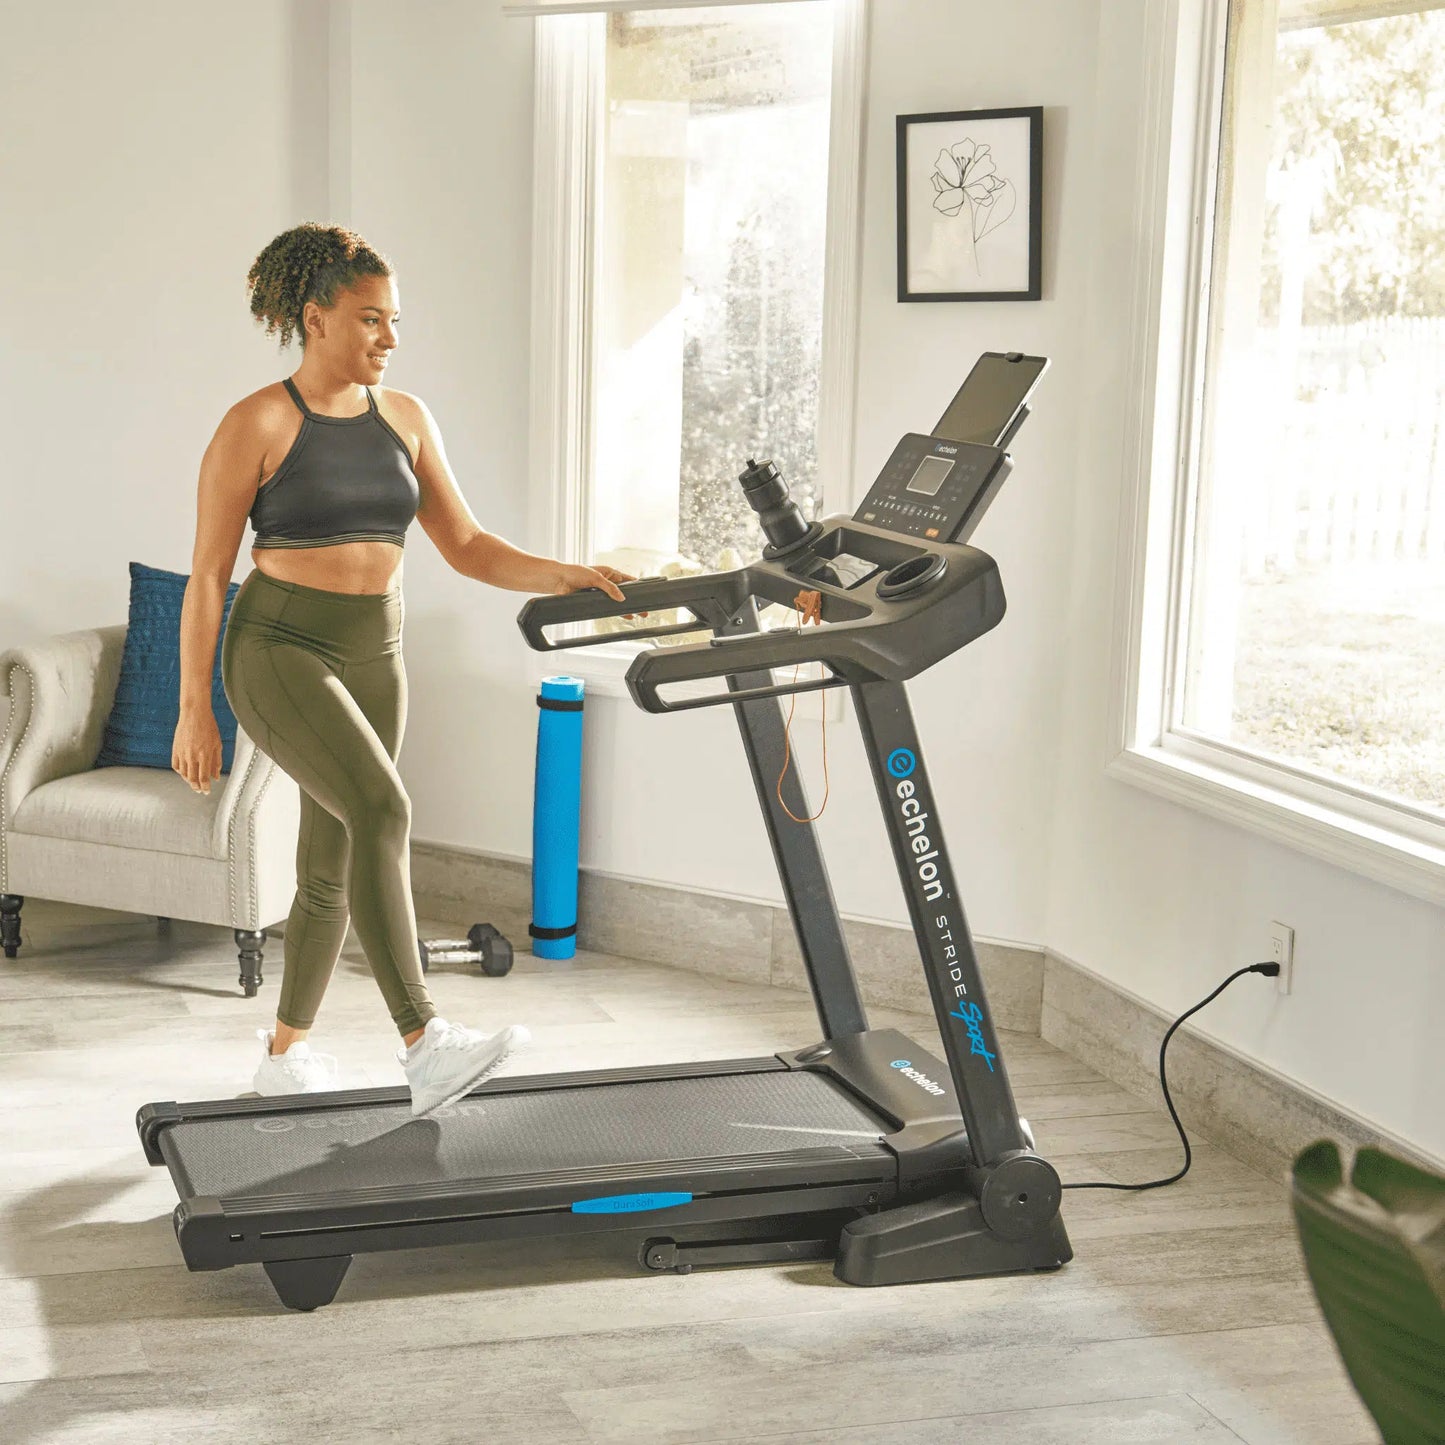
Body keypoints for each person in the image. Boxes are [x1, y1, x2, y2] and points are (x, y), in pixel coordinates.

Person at [171, 223, 632, 1116]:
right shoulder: (257, 422)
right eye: (372, 320)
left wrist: (564, 572)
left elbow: (465, 545)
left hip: (375, 649)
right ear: (315, 318)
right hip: (277, 647)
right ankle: (423, 1039)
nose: (390, 338)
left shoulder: (405, 417)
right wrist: (197, 709)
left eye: (395, 321)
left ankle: (282, 1054)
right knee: (385, 807)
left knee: (333, 861)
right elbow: (205, 575)